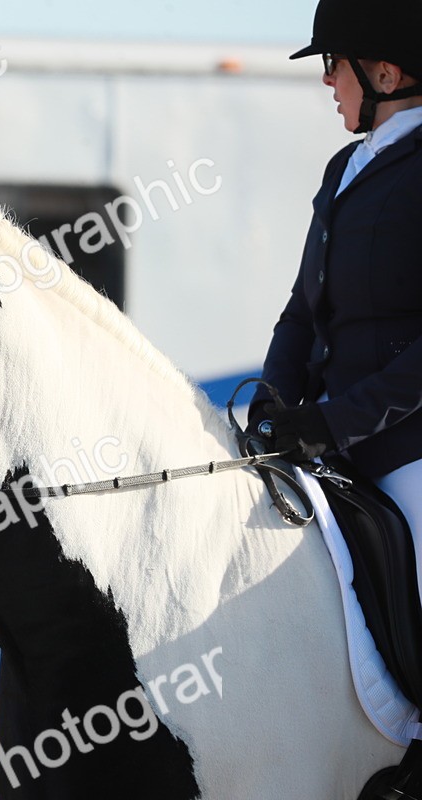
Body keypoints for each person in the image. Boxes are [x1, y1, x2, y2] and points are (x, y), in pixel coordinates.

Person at [250, 0, 422, 794]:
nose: (326, 79)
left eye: (337, 63)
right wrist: (274, 403)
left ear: (385, 74)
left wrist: (336, 422)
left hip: (404, 449)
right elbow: (301, 311)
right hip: (320, 440)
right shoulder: (343, 169)